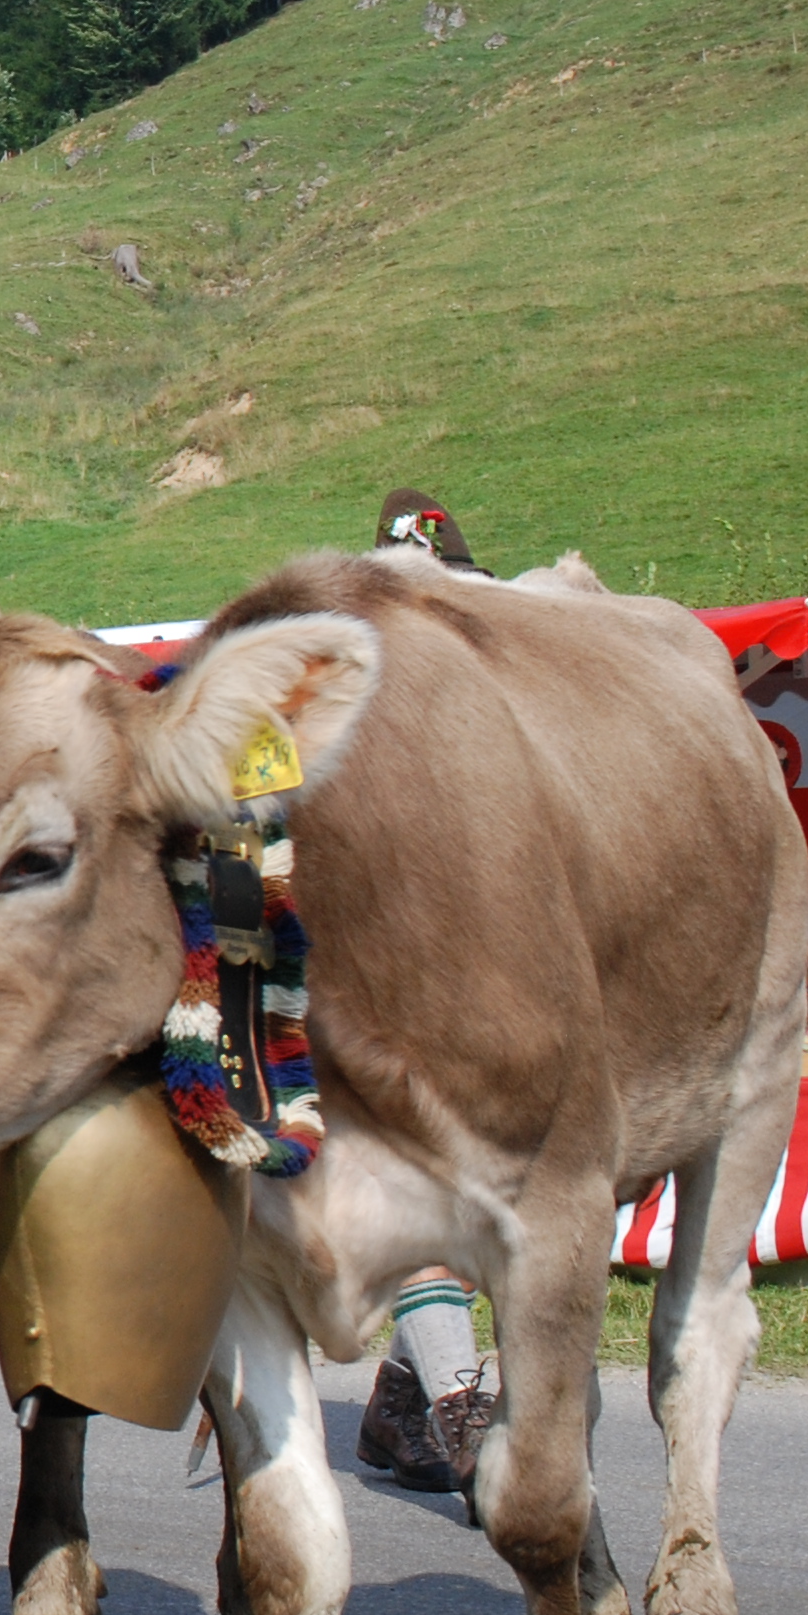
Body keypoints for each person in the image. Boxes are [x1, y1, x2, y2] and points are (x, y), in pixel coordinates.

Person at [351, 488, 495, 1506]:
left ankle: (397, 1409)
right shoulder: (339, 706)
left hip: (481, 970)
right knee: (417, 1184)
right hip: (380, 976)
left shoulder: (485, 697)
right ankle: (460, 1413)